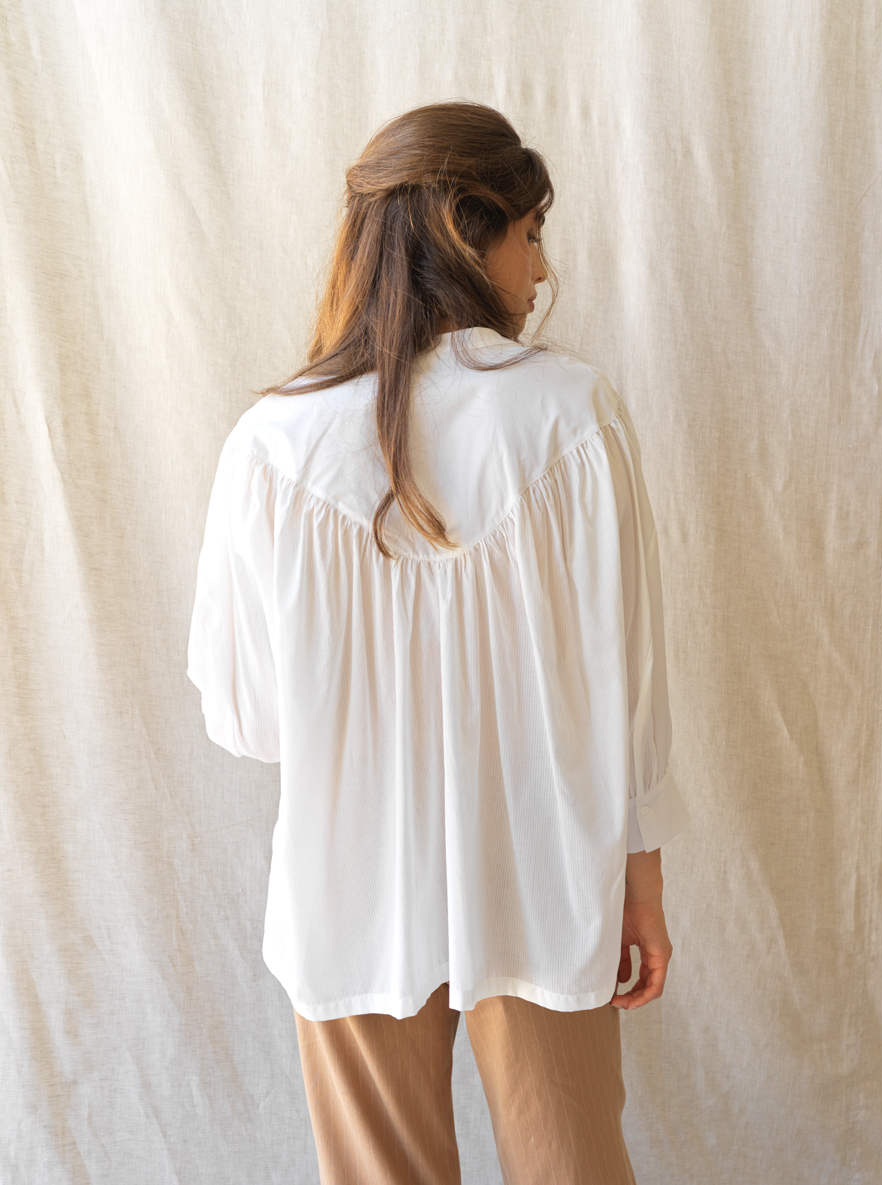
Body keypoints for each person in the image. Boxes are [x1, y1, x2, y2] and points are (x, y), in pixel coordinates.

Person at [187, 100, 689, 1185]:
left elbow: (249, 717)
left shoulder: (270, 443)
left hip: (349, 882)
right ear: (469, 228)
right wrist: (639, 879)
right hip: (542, 872)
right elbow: (631, 688)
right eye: (530, 232)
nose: (541, 270)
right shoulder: (573, 415)